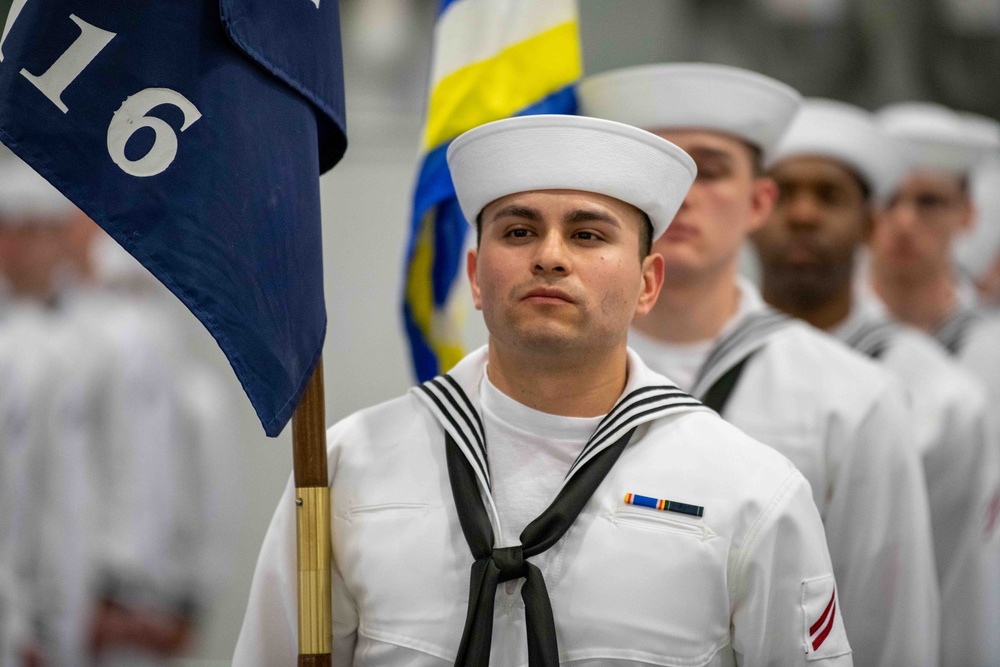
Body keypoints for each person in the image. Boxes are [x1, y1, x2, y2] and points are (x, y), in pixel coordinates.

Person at [235, 114, 851, 665]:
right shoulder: (347, 466)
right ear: (476, 277)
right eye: (519, 232)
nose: (550, 257)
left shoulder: (750, 491)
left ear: (647, 283)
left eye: (588, 235)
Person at [579, 63, 939, 667]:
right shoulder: (549, 380)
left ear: (760, 201)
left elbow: (887, 626)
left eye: (711, 170)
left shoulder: (853, 397)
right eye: (657, 168)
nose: (681, 195)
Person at [756, 98, 1000, 667]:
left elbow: (948, 581)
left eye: (931, 201)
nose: (804, 216)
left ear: (968, 213)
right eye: (785, 194)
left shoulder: (943, 391)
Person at [870, 101, 1000, 664]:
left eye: (930, 202)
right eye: (889, 200)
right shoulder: (818, 348)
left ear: (969, 213)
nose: (905, 221)